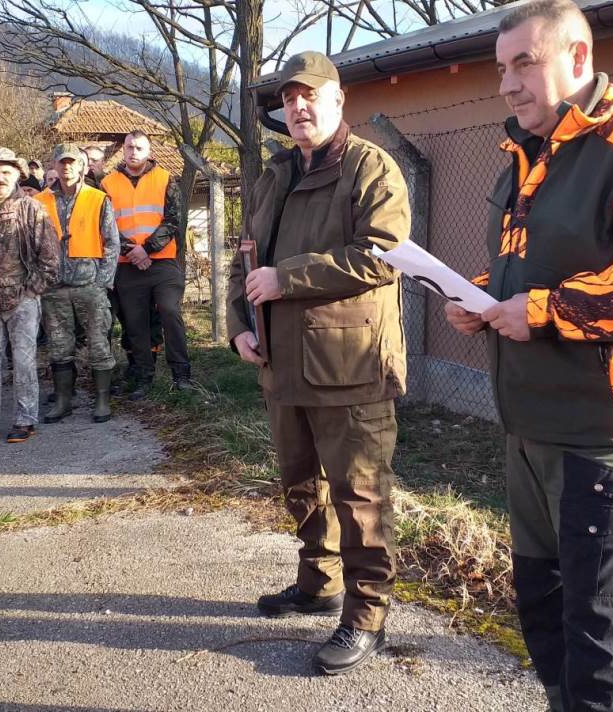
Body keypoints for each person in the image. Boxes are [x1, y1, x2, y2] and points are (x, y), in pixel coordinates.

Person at [443, 2, 613, 710]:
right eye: (501, 69)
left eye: (524, 64)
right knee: (544, 618)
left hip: (609, 433)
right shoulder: (526, 153)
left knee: (601, 646)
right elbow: (529, 266)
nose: (507, 84)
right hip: (530, 422)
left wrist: (540, 312)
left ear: (579, 57)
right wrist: (479, 296)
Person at [226, 51, 409, 675]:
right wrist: (238, 328)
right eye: (290, 98)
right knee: (300, 484)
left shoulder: (371, 168)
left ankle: (366, 615)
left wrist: (287, 279)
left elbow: (383, 256)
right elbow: (247, 256)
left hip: (350, 363)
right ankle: (319, 583)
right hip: (282, 361)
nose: (298, 107)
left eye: (311, 96)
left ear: (337, 100)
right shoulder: (276, 172)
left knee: (360, 497)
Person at [0, 148, 59, 443]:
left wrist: (31, 292)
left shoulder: (31, 208)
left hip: (21, 302)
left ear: (17, 174)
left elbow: (51, 258)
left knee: (24, 362)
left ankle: (25, 418)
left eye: (6, 172)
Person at [103, 130, 191, 398]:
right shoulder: (107, 183)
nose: (133, 152)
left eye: (139, 148)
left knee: (168, 310)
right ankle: (144, 376)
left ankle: (182, 374)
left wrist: (148, 249)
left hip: (162, 261)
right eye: (129, 147)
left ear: (149, 152)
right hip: (127, 263)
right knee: (135, 321)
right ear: (123, 150)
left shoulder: (165, 179)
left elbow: (173, 219)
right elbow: (105, 225)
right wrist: (133, 251)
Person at [35, 143, 119, 424]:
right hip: (54, 288)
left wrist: (103, 282)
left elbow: (112, 243)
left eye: (72, 162)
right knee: (59, 347)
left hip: (89, 285)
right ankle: (63, 400)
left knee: (98, 344)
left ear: (82, 166)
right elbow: (30, 244)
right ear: (55, 166)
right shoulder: (38, 201)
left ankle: (102, 400)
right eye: (62, 162)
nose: (67, 167)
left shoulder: (98, 198)